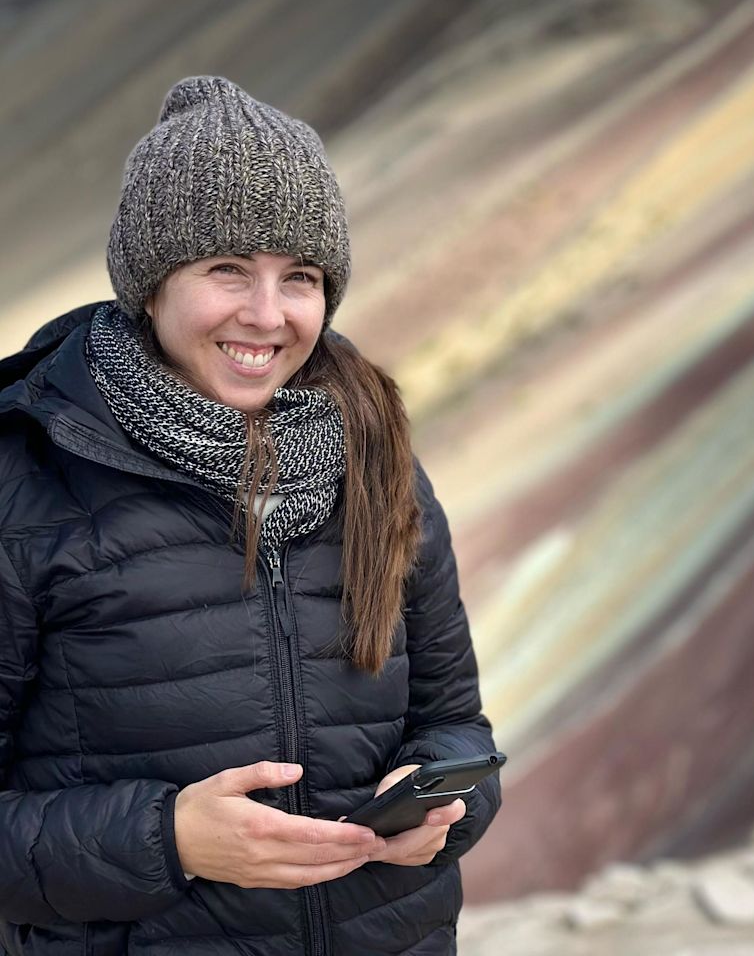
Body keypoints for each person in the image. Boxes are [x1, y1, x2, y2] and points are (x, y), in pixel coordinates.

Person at [0, 76, 501, 955]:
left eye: (299, 277)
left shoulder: (378, 463)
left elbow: (457, 721)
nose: (266, 317)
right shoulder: (26, 482)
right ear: (149, 286)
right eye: (226, 269)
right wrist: (170, 842)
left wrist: (446, 809)